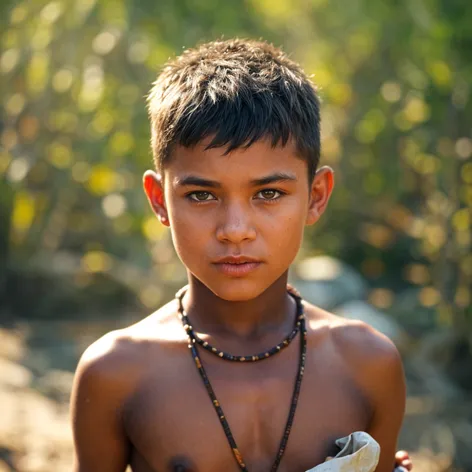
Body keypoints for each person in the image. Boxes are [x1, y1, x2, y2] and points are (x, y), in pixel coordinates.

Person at [71, 38, 413, 472]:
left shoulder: (368, 364)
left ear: (316, 196)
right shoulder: (116, 373)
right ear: (159, 200)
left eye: (269, 193)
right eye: (200, 195)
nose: (235, 231)